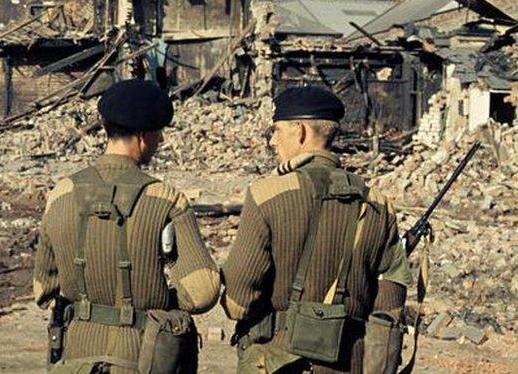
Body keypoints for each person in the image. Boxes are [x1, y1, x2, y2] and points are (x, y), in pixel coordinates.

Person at [221, 86, 413, 373]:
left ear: (299, 131)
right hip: (348, 362)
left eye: (276, 130)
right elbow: (390, 306)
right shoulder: (378, 204)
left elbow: (238, 302)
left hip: (275, 361)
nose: (273, 141)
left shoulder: (266, 195)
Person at [33, 79, 220, 373]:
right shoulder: (167, 200)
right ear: (143, 137)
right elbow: (202, 292)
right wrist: (160, 296)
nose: (160, 142)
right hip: (141, 359)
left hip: (75, 360)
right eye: (159, 134)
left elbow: (43, 289)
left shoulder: (61, 194)